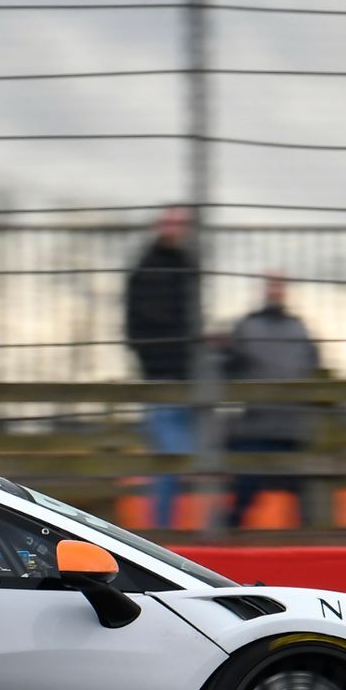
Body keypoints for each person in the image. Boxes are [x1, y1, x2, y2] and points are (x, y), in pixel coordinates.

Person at [223, 272, 321, 526]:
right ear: (265, 289)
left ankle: (307, 542)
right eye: (272, 285)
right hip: (256, 425)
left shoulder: (299, 328)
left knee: (301, 495)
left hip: (291, 426)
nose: (276, 290)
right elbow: (229, 367)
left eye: (280, 285)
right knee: (246, 491)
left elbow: (312, 366)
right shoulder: (247, 326)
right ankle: (228, 536)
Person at [124, 206, 197, 527]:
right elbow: (137, 327)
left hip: (187, 377)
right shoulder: (148, 269)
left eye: (181, 223)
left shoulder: (187, 267)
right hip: (164, 376)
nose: (176, 228)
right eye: (171, 222)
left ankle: (174, 526)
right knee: (174, 457)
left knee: (182, 458)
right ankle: (164, 528)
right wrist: (156, 365)